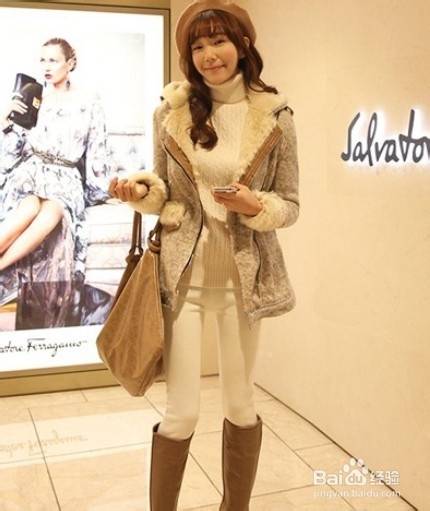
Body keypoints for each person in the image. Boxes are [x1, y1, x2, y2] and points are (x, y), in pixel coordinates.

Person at [109, 1, 299, 509]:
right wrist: (139, 192)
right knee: (182, 412)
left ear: (243, 45)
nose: (209, 54)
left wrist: (255, 205)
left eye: (219, 41)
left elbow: (290, 203)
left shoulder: (275, 116)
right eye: (198, 45)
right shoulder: (170, 114)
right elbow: (163, 192)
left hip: (243, 281)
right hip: (183, 279)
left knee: (240, 403)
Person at [0, 37, 110, 325]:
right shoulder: (36, 100)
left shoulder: (90, 100)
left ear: (70, 63)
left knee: (54, 212)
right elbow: (13, 151)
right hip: (31, 171)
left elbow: (97, 149)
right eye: (42, 60)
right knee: (29, 207)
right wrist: (6, 118)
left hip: (65, 177)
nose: (46, 67)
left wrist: (104, 189)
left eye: (53, 60)